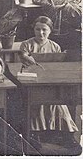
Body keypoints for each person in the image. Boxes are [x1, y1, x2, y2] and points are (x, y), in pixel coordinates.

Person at [18, 16, 78, 145]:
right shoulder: (26, 45)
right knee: (37, 102)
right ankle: (35, 134)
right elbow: (23, 66)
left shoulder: (55, 46)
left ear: (50, 30)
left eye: (44, 30)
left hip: (51, 82)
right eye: (37, 29)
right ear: (33, 30)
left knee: (59, 103)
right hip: (32, 83)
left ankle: (64, 135)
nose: (41, 33)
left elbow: (58, 69)